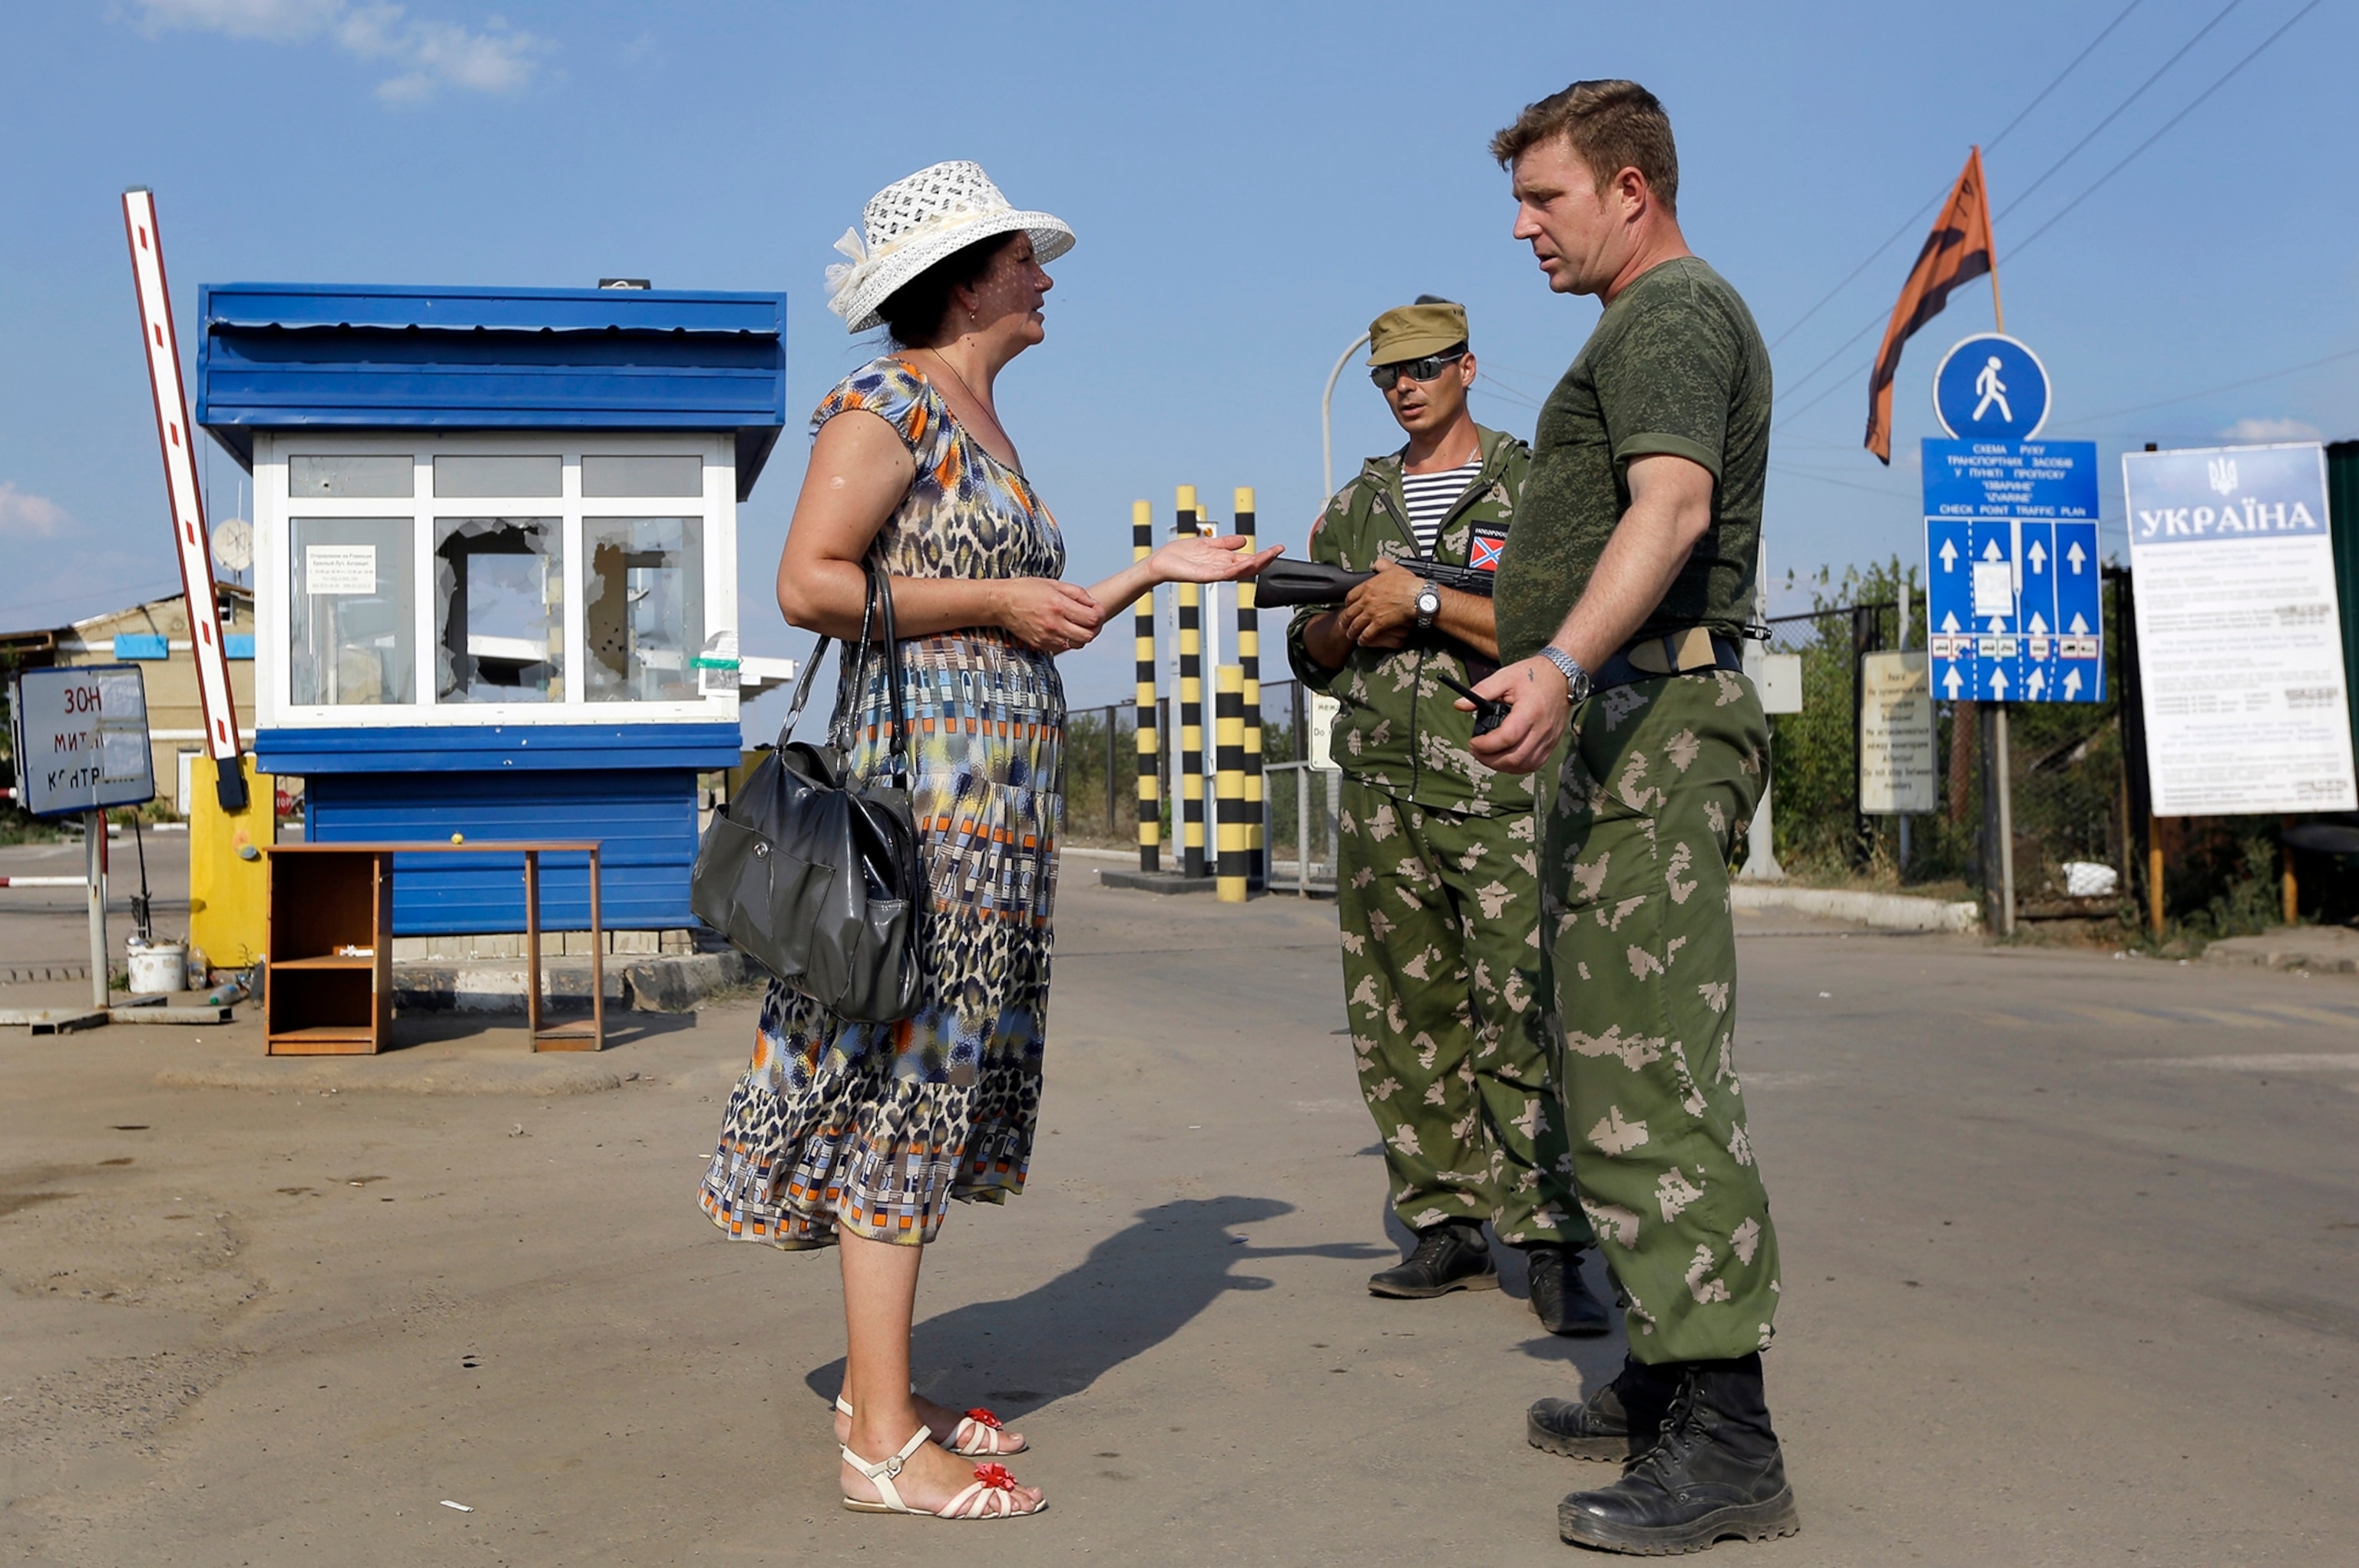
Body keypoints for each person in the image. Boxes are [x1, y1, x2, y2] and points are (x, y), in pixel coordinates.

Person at [697, 160, 1275, 1523]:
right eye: (1027, 258)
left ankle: (872, 1392)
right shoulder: (890, 402)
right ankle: (883, 1444)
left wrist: (1150, 573)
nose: (1046, 277)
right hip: (931, 812)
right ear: (966, 278)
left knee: (934, 1087)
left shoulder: (982, 421)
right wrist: (1005, 598)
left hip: (991, 813)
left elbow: (1033, 612)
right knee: (909, 1086)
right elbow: (810, 581)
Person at [1466, 84, 1800, 1553]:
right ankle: (1667, 1377)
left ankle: (1726, 1440)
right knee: (1610, 1069)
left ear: (1629, 190)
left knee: (1647, 1075)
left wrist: (1560, 657)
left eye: (1545, 198)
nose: (1523, 226)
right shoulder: (1641, 318)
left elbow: (1667, 510)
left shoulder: (1668, 313)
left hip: (1658, 718)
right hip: (1629, 728)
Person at [1286, 299, 1607, 1337]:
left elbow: (1562, 624)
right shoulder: (1355, 507)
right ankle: (1448, 1220)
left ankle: (1553, 1234)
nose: (1405, 387)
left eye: (1424, 367)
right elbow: (1309, 650)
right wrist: (1352, 615)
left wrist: (1424, 604)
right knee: (1399, 1014)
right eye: (1388, 375)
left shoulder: (1534, 485)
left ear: (1469, 365)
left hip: (1500, 782)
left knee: (1521, 999)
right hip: (1382, 790)